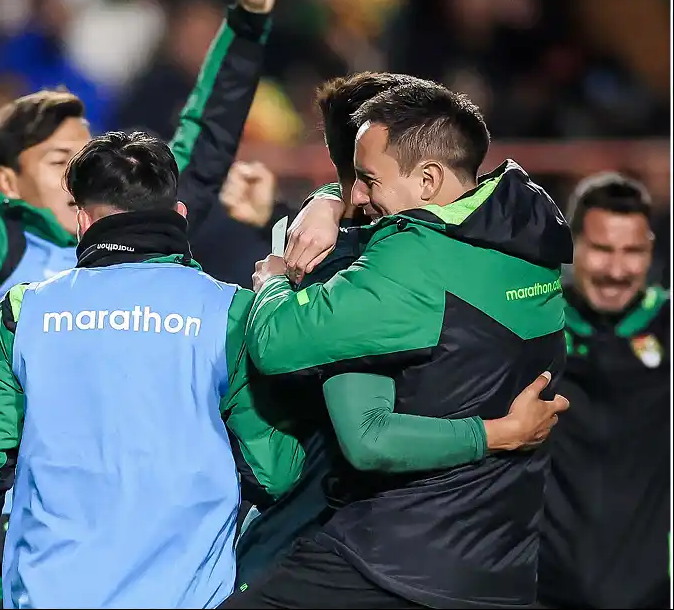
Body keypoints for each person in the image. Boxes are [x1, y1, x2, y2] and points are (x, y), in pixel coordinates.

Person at [0, 0, 290, 604]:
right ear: (5, 179)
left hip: (125, 552)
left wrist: (245, 23)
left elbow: (200, 151)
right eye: (62, 159)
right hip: (8, 550)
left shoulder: (141, 255)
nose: (80, 175)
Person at [230, 81, 573, 609]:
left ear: (429, 179)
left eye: (367, 179)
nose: (359, 198)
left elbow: (281, 348)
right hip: (503, 569)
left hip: (396, 561)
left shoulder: (412, 262)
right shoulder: (524, 231)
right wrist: (324, 200)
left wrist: (273, 278)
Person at [0, 130, 305, 610]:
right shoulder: (230, 312)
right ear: (180, 217)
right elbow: (275, 471)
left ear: (82, 221)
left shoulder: (28, 312)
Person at [539, 173, 669, 609]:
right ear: (572, 247)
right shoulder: (533, 323)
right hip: (542, 590)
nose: (616, 270)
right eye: (601, 249)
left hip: (653, 592)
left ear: (651, 250)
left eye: (632, 251)